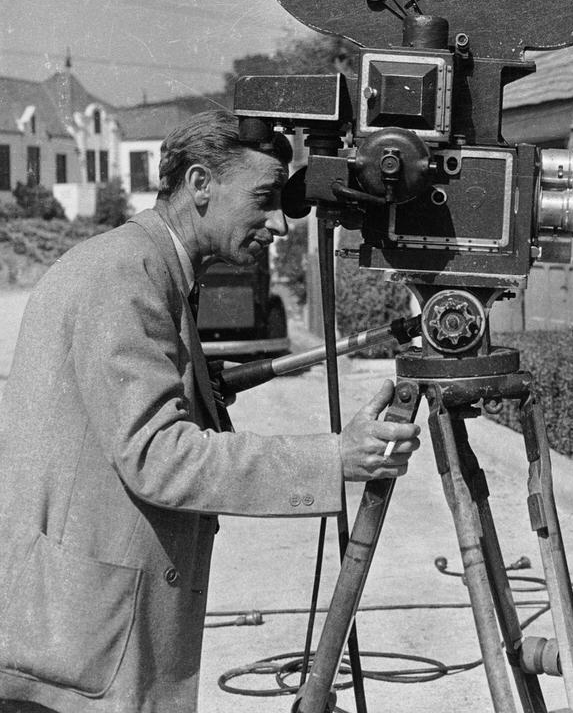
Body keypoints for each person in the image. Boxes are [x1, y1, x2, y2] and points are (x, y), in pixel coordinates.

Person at [0, 109, 422, 713]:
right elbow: (159, 456)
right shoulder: (124, 274)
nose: (279, 223)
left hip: (87, 628)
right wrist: (335, 457)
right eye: (264, 199)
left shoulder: (154, 266)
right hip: (77, 645)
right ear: (200, 183)